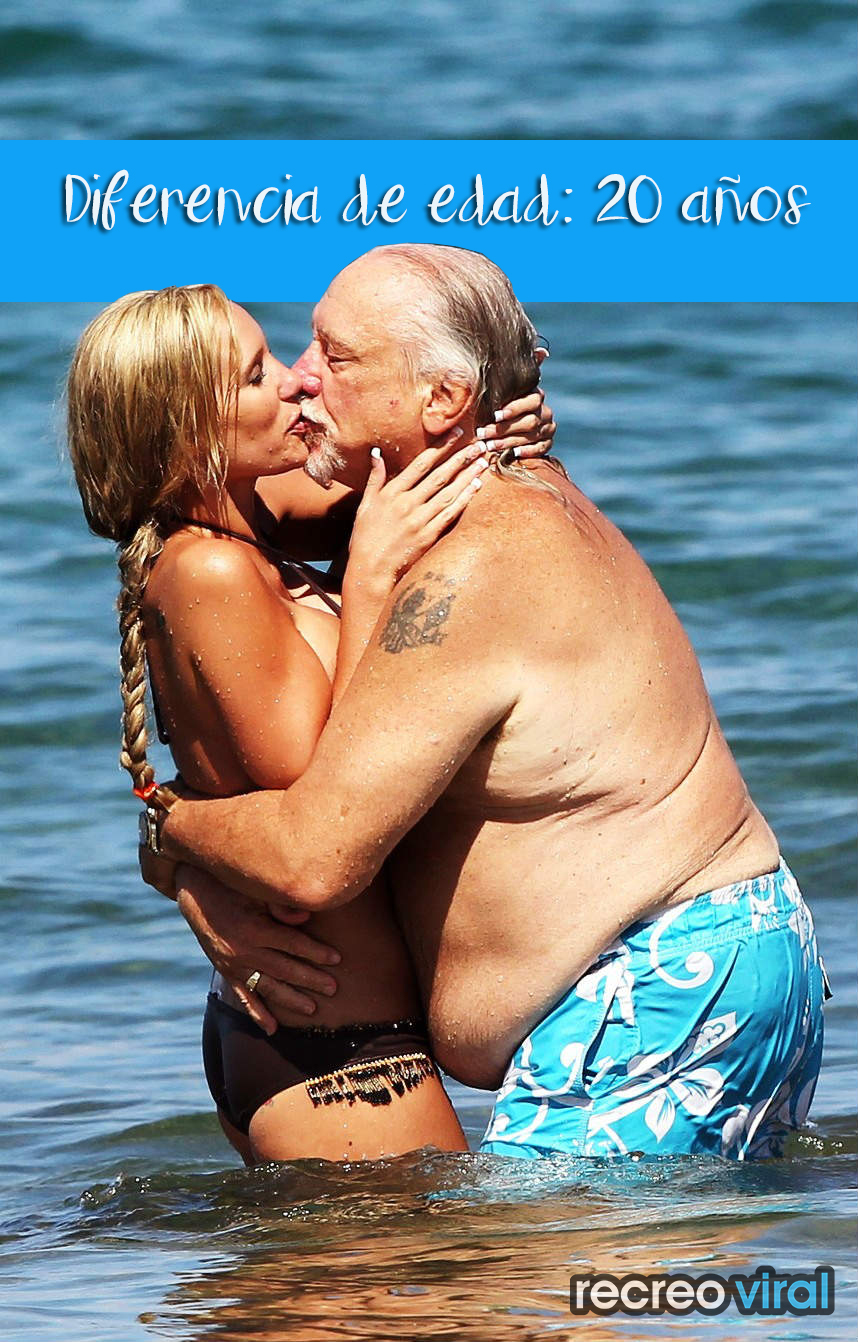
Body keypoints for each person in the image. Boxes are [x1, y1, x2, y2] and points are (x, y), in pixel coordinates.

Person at [148, 244, 827, 1162]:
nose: (302, 379)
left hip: (664, 985)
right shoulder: (457, 504)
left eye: (336, 357)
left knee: (514, 1259)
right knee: (609, 1264)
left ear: (441, 399)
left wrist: (170, 828)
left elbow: (314, 857)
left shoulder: (470, 563)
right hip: (701, 971)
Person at [67, 282, 555, 1164]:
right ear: (189, 433)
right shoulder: (209, 570)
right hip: (341, 1053)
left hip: (321, 1035)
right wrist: (366, 576)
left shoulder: (252, 522)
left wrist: (492, 430)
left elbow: (398, 482)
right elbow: (319, 783)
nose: (297, 381)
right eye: (257, 375)